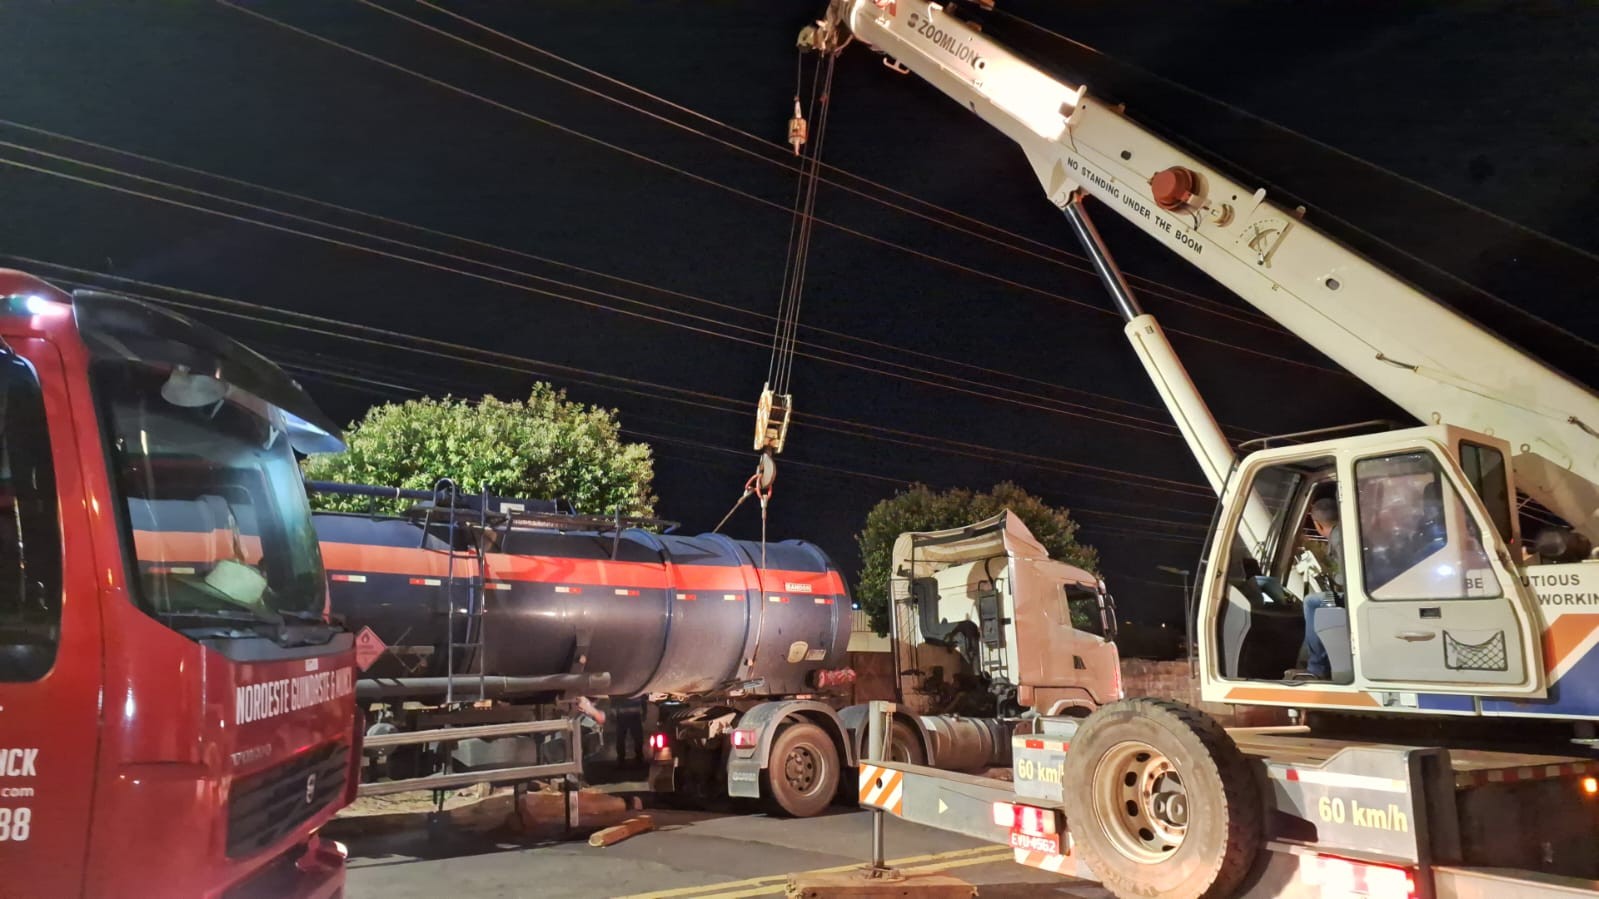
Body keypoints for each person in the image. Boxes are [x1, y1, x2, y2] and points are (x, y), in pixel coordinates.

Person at [1295, 497, 1343, 680]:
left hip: (1351, 595)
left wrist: (1333, 579)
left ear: (1318, 524)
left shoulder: (1338, 537)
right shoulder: (1342, 533)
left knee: (1311, 602)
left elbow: (1346, 574)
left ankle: (1317, 667)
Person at [612, 694, 646, 768]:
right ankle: (622, 758)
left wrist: (644, 713)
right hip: (625, 715)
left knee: (637, 737)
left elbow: (643, 699)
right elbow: (614, 699)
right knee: (622, 738)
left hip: (631, 715)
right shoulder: (635, 687)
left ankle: (638, 757)